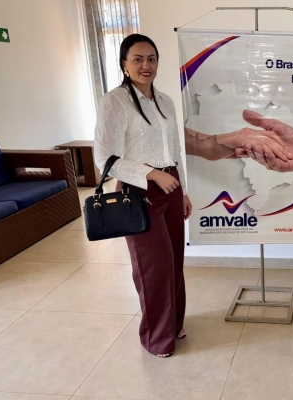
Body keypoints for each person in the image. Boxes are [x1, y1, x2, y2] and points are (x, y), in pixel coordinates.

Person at [94, 34, 192, 358]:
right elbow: (104, 158)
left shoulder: (165, 101)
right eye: (137, 59)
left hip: (171, 186)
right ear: (124, 64)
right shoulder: (114, 101)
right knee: (153, 267)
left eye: (151, 58)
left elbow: (175, 151)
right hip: (137, 192)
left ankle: (174, 325)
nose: (145, 65)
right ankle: (155, 338)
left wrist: (183, 190)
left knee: (174, 260)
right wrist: (151, 174)